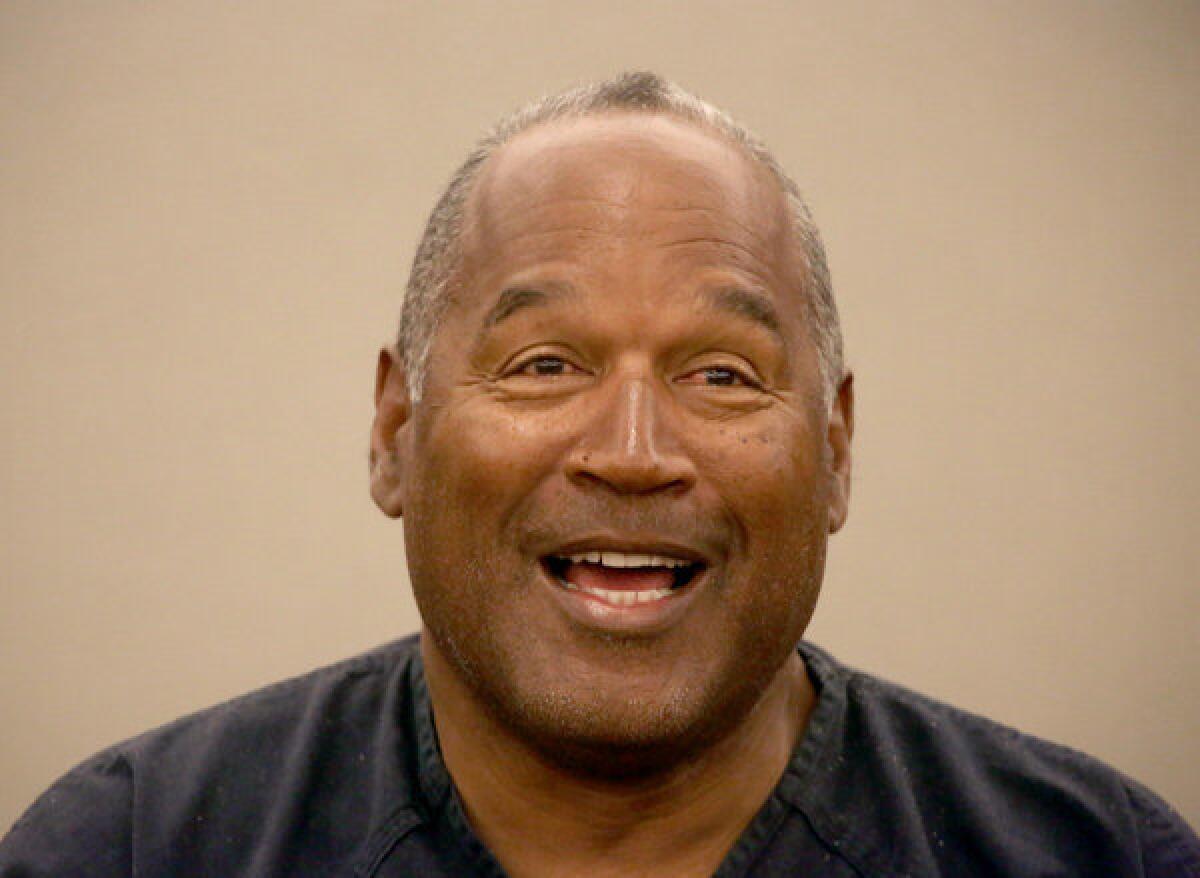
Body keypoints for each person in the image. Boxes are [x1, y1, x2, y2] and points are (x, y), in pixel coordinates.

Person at [2, 71, 1196, 878]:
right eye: (544, 361)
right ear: (395, 430)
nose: (632, 450)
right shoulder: (132, 845)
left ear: (836, 449)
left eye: (724, 374)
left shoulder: (1102, 854)